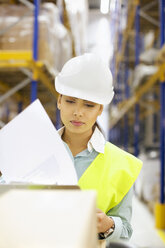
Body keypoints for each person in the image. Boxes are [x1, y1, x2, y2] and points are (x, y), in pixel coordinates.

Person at [55, 53, 142, 243]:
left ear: (100, 109)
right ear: (59, 101)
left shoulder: (122, 164)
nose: (78, 112)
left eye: (89, 105)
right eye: (70, 101)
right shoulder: (35, 150)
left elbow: (126, 229)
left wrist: (108, 225)